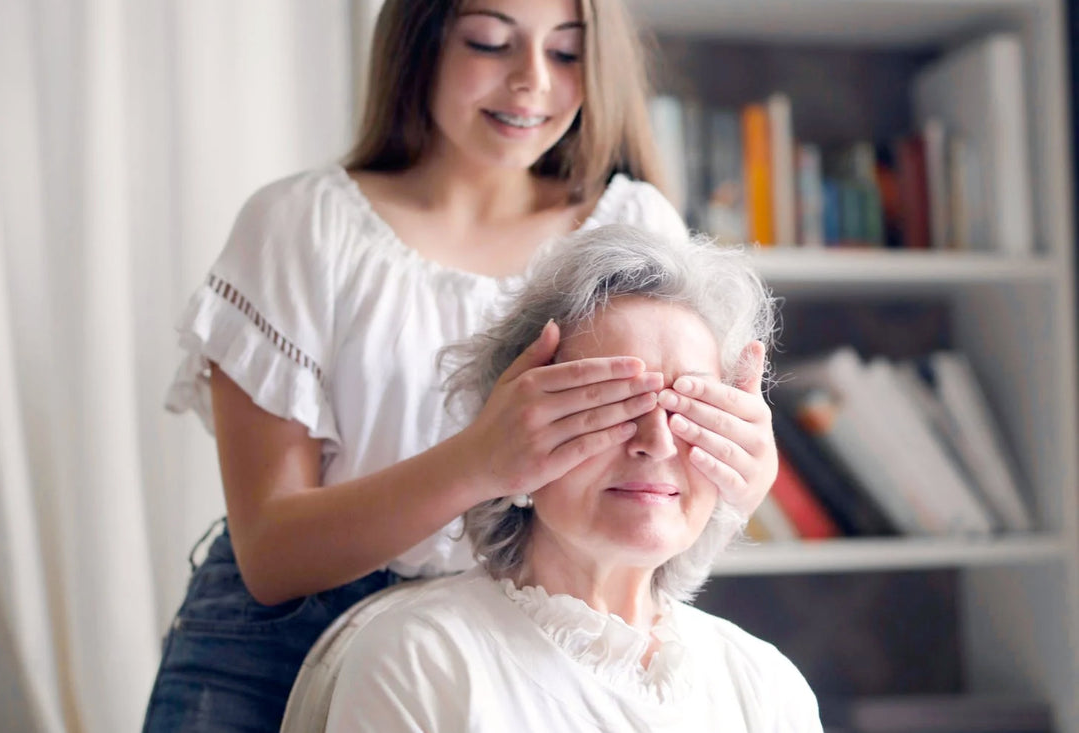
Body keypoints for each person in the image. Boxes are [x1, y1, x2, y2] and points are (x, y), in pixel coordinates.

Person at [142, 1, 780, 730]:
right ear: (420, 42)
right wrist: (480, 462)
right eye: (489, 42)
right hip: (274, 649)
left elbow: (652, 495)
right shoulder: (301, 225)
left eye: (568, 54)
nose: (531, 82)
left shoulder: (634, 223)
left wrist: (739, 479)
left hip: (518, 642)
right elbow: (270, 553)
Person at [321, 223, 819, 732]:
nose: (657, 441)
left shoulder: (767, 688)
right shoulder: (422, 663)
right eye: (610, 403)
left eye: (692, 408)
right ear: (515, 435)